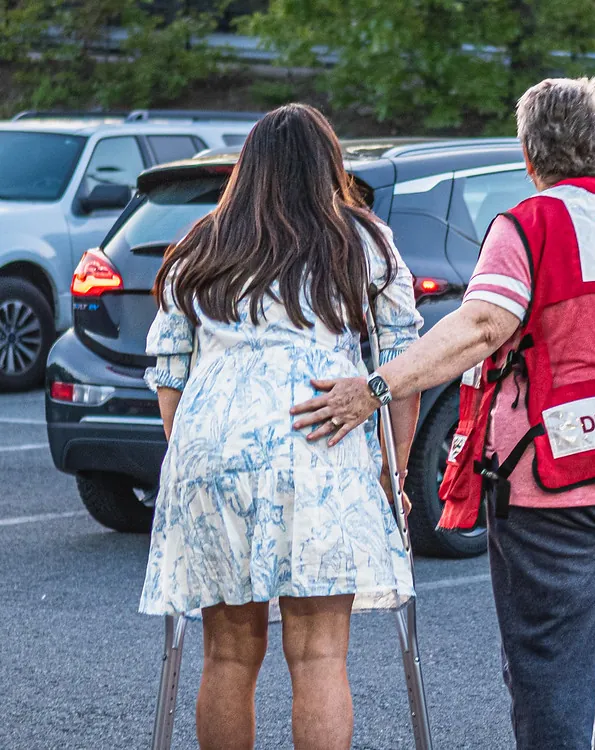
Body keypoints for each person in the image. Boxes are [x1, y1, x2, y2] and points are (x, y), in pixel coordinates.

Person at [291, 78, 595, 749]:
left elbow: (480, 325)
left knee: (551, 681)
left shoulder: (528, 225)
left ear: (529, 156)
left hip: (561, 476)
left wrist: (372, 389)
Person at [139, 103, 422, 750]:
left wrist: (193, 463)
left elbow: (170, 370)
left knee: (228, 654)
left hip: (211, 448)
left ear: (249, 167)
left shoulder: (200, 243)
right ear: (329, 164)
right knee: (319, 653)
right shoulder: (364, 242)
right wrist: (392, 472)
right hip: (319, 442)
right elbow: (401, 368)